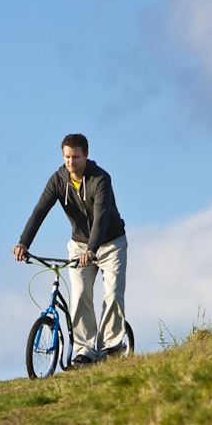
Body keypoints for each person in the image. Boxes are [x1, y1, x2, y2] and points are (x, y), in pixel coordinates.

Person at [14, 133, 128, 365]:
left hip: (110, 243)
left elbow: (101, 217)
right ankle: (85, 349)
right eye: (67, 157)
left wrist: (93, 249)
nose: (71, 162)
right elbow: (39, 211)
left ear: (86, 155)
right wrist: (24, 242)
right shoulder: (58, 180)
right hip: (79, 245)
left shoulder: (100, 179)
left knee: (113, 293)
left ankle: (112, 346)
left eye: (75, 157)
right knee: (79, 295)